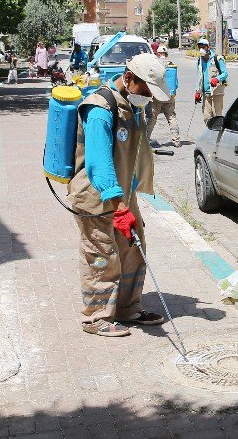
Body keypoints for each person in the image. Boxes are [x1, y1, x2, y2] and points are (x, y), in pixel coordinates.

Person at [66, 53, 170, 337]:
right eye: (146, 89)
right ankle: (96, 317)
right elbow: (99, 164)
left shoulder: (132, 105)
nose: (148, 96)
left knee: (134, 247)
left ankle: (127, 308)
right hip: (96, 197)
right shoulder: (99, 108)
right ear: (129, 77)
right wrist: (120, 206)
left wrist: (128, 201)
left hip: (122, 194)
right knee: (102, 254)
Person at [148, 46, 182, 147]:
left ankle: (146, 138)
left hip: (158, 95)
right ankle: (176, 140)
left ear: (158, 54)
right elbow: (176, 84)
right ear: (166, 54)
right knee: (171, 116)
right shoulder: (172, 65)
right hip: (170, 95)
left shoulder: (155, 65)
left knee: (153, 117)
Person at [194, 37, 228, 123]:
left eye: (203, 47)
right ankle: (210, 134)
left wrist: (217, 79)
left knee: (217, 116)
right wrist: (198, 91)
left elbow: (225, 74)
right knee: (207, 117)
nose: (201, 49)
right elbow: (199, 76)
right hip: (206, 93)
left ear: (208, 47)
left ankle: (218, 134)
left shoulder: (217, 59)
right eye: (200, 47)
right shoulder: (200, 61)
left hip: (216, 92)